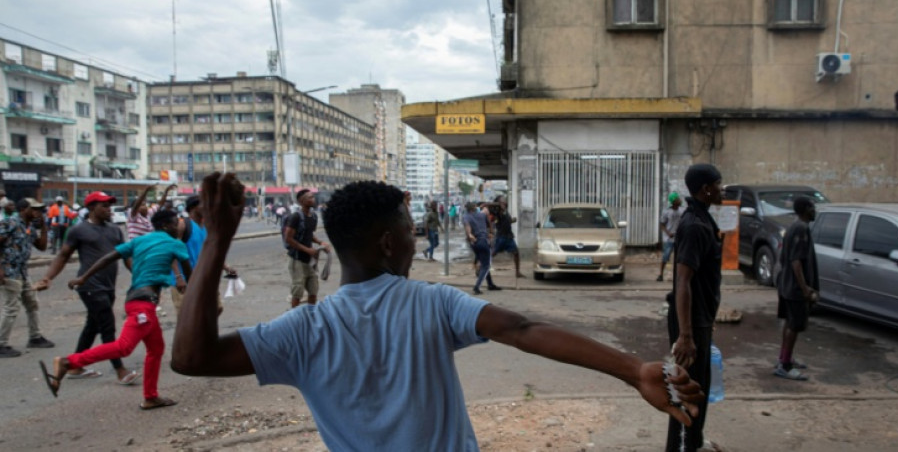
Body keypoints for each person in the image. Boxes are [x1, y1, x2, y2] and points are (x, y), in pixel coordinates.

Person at [171, 174, 703, 451]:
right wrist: (632, 370)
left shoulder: (305, 330)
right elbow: (523, 330)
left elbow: (192, 358)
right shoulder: (431, 302)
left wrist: (217, 241)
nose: (414, 238)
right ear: (387, 243)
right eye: (410, 230)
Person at [40, 209, 189, 410]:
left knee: (156, 349)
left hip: (137, 300)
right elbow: (192, 273)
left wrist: (84, 277)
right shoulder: (175, 243)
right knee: (124, 347)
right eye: (174, 223)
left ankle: (151, 396)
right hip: (143, 304)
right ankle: (69, 362)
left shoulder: (140, 241)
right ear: (165, 226)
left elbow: (108, 257)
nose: (177, 226)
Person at [34, 192, 139, 384]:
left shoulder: (115, 230)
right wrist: (48, 277)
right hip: (89, 285)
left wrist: (139, 277)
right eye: (104, 206)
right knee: (107, 326)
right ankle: (120, 370)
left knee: (93, 325)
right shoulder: (78, 230)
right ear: (91, 208)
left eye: (110, 205)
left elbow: (126, 256)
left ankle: (74, 366)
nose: (109, 209)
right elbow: (63, 255)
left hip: (108, 286)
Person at [666, 163, 724, 452]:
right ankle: (682, 447)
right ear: (706, 189)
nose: (722, 189)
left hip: (698, 320)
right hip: (691, 324)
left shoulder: (702, 221)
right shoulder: (694, 226)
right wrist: (686, 335)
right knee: (686, 395)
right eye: (719, 184)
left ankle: (695, 443)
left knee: (696, 392)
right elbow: (683, 282)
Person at [0, 198, 54, 357]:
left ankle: (35, 337)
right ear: (23, 209)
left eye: (40, 209)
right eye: (35, 209)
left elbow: (42, 246)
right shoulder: (10, 223)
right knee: (11, 308)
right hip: (9, 270)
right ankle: (1, 344)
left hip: (23, 272)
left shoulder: (29, 226)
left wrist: (44, 226)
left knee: (32, 303)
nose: (38, 212)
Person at [773, 197, 820, 381]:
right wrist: (805, 288)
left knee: (789, 323)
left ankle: (784, 358)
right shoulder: (801, 228)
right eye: (812, 208)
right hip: (794, 288)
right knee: (795, 325)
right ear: (806, 210)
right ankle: (784, 366)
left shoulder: (794, 226)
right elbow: (795, 261)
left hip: (787, 284)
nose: (814, 211)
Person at [169, 195, 235, 316]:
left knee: (217, 308)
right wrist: (178, 276)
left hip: (204, 279)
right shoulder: (183, 225)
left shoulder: (207, 227)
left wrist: (226, 267)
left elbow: (212, 252)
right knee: (188, 317)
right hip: (184, 281)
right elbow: (171, 252)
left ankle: (203, 333)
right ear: (194, 208)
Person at [285, 189, 330, 307]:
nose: (313, 199)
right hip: (297, 259)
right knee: (297, 291)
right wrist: (307, 250)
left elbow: (309, 235)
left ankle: (310, 316)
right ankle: (294, 317)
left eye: (313, 197)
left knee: (313, 290)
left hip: (309, 260)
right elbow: (288, 238)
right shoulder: (296, 217)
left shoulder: (313, 216)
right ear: (301, 201)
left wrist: (321, 243)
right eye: (309, 197)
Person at [463, 201, 500, 294]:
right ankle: (477, 287)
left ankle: (490, 284)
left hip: (474, 243)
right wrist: (491, 233)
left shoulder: (466, 216)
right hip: (483, 241)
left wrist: (470, 235)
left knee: (484, 262)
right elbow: (490, 224)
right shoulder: (482, 215)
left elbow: (468, 229)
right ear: (474, 208)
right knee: (486, 265)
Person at [490, 196, 523, 278]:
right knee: (493, 253)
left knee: (516, 253)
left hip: (509, 236)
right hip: (501, 237)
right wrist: (499, 204)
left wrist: (512, 220)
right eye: (502, 199)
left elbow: (507, 221)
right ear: (499, 202)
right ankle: (480, 266)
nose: (505, 200)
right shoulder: (498, 210)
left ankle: (517, 272)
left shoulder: (505, 210)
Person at [657, 192, 685, 282]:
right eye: (678, 199)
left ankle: (678, 276)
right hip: (669, 238)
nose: (680, 200)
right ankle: (660, 275)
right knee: (666, 256)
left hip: (679, 238)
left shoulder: (682, 210)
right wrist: (668, 233)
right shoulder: (667, 211)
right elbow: (662, 224)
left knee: (680, 258)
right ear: (674, 201)